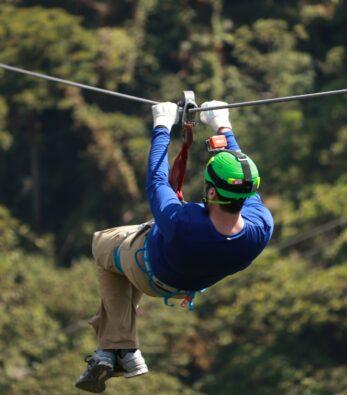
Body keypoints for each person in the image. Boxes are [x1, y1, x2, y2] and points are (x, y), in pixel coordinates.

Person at [75, 101, 274, 393]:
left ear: (209, 191)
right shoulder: (261, 228)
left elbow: (157, 180)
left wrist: (162, 127)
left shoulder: (183, 222)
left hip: (149, 269)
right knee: (127, 254)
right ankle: (117, 352)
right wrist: (223, 126)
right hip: (186, 283)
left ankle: (120, 347)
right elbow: (244, 181)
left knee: (103, 244)